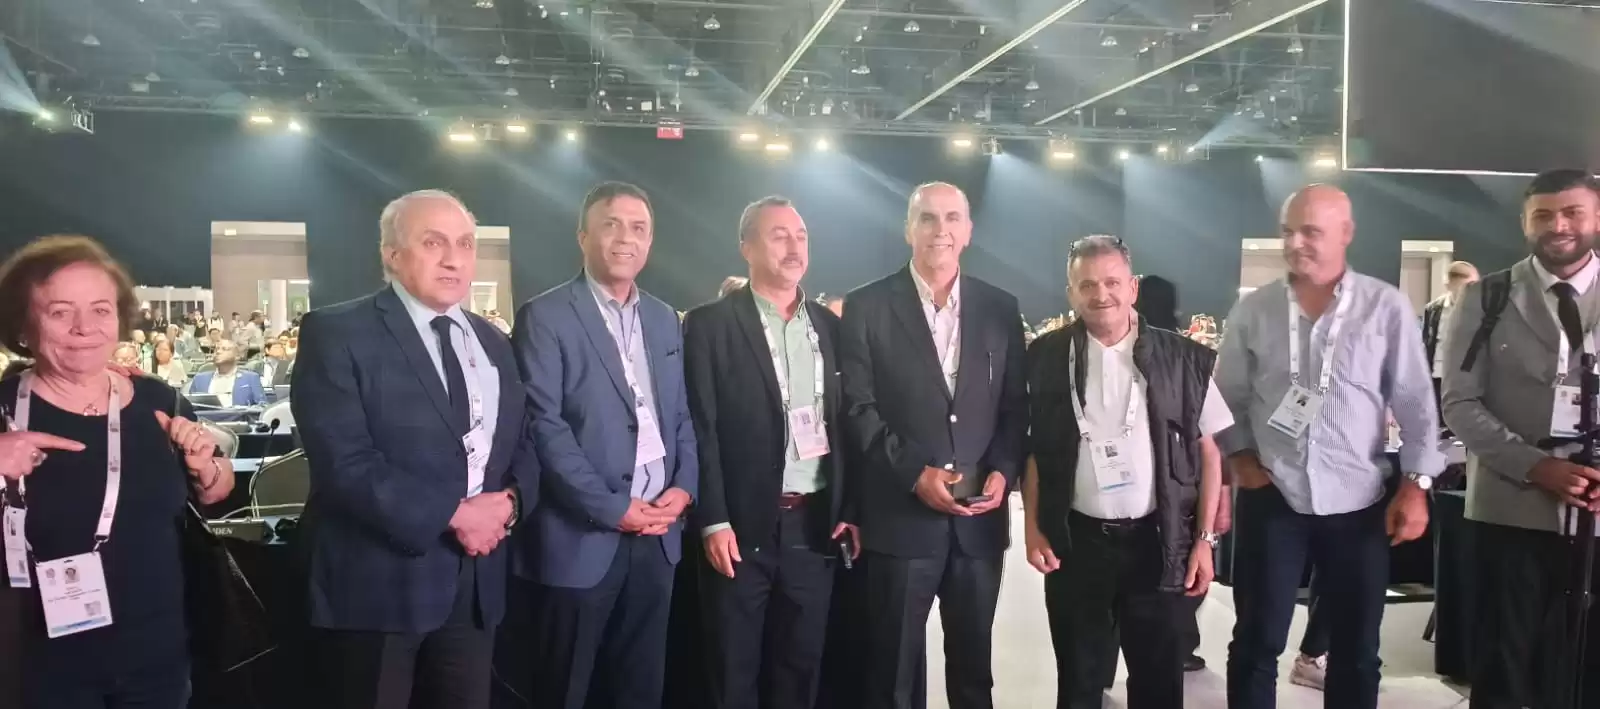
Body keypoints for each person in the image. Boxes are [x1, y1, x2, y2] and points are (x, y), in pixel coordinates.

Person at [291, 190, 539, 709]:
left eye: (465, 244)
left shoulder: (494, 342)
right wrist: (456, 516)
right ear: (391, 253)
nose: (453, 259)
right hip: (377, 592)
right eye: (433, 242)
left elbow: (523, 442)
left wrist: (509, 504)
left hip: (474, 586)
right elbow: (344, 462)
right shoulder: (336, 332)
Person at [1215, 184, 1444, 709]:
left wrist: (1416, 486)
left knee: (1356, 649)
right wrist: (1242, 460)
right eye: (1287, 231)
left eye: (1310, 232)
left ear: (1346, 233)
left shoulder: (1385, 307)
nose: (1295, 243)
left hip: (1360, 501)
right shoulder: (1254, 310)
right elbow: (1226, 397)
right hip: (1273, 496)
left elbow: (1415, 402)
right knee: (1255, 642)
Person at [0, 235, 235, 709]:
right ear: (23, 326)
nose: (84, 328)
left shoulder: (159, 401)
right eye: (60, 312)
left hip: (158, 658)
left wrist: (206, 467)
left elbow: (214, 493)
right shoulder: (4, 409)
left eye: (101, 310)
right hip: (35, 664)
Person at [840, 182, 1027, 709]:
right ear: (908, 230)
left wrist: (1003, 470)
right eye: (927, 218)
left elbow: (1015, 407)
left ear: (968, 232)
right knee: (892, 677)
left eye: (951, 218)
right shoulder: (867, 305)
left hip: (978, 525)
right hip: (900, 521)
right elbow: (857, 408)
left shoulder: (999, 307)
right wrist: (914, 473)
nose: (939, 230)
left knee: (974, 676)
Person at [512, 181, 698, 709]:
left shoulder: (663, 318)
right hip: (581, 537)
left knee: (640, 688)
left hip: (658, 535)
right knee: (567, 689)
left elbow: (681, 414)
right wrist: (612, 508)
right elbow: (544, 427)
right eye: (611, 225)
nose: (626, 239)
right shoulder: (545, 316)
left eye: (639, 228)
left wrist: (685, 488)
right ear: (583, 236)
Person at [1022, 236, 1229, 709]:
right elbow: (1033, 452)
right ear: (1071, 292)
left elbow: (1209, 452)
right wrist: (1033, 528)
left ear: (1132, 287)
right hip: (1077, 544)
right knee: (1078, 679)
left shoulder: (1184, 359)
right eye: (1087, 285)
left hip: (1157, 543)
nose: (1101, 295)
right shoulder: (1045, 357)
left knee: (1158, 682)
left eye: (1112, 282)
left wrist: (1203, 540)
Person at [683, 196, 860, 709]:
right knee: (732, 671)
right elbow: (701, 428)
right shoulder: (709, 325)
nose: (794, 247)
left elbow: (846, 425)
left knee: (799, 671)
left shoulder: (829, 327)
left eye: (801, 236)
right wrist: (714, 520)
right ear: (746, 247)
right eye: (778, 235)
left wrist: (849, 507)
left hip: (812, 526)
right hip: (739, 529)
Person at [1441, 169, 1600, 708]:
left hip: (1595, 509)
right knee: (1503, 661)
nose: (1559, 225)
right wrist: (1536, 466)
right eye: (1543, 215)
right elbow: (1459, 403)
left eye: (1573, 212)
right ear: (1525, 222)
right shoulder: (1485, 297)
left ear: (1595, 217)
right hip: (1511, 508)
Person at [1422, 261, 1479, 409]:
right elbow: (1426, 342)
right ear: (1449, 286)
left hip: (1465, 378)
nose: (1470, 291)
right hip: (1437, 376)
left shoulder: (1481, 310)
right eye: (1465, 286)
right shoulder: (1433, 309)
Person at [188, 340, 264, 407]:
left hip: (238, 418)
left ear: (237, 356)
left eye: (224, 349)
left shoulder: (250, 378)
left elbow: (262, 406)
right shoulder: (200, 379)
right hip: (204, 418)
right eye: (216, 349)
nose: (218, 352)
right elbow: (190, 407)